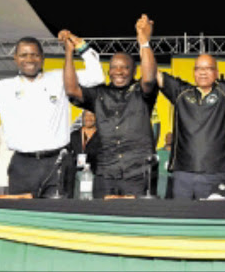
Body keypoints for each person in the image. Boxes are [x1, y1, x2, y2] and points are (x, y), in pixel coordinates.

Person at [0, 33, 104, 197]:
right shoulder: (3, 88)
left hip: (57, 162)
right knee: (24, 218)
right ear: (15, 59)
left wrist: (82, 46)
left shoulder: (59, 78)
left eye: (34, 54)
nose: (29, 59)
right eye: (23, 55)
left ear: (42, 58)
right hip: (22, 165)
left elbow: (97, 77)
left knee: (57, 216)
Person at [64, 15, 158, 198]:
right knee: (102, 222)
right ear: (109, 71)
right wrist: (68, 53)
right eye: (114, 67)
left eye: (125, 68)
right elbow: (71, 90)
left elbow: (149, 78)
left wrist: (144, 42)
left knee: (138, 221)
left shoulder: (141, 92)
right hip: (106, 174)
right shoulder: (99, 94)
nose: (119, 72)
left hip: (138, 174)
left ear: (133, 71)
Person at [156, 34, 225, 200]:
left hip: (216, 174)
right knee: (181, 223)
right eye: (198, 68)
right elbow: (153, 74)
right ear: (194, 72)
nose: (203, 72)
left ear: (217, 72)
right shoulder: (181, 92)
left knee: (215, 224)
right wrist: (144, 42)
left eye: (208, 68)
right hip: (183, 175)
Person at [65, 110, 100, 198]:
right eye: (86, 116)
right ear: (82, 118)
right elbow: (67, 151)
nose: (89, 118)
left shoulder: (101, 136)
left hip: (94, 175)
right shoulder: (74, 135)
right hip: (75, 175)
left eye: (92, 115)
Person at [156, 132, 173, 199]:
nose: (169, 139)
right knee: (161, 196)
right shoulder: (159, 151)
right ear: (165, 139)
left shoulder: (177, 152)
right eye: (167, 137)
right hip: (162, 176)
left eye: (171, 138)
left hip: (173, 177)